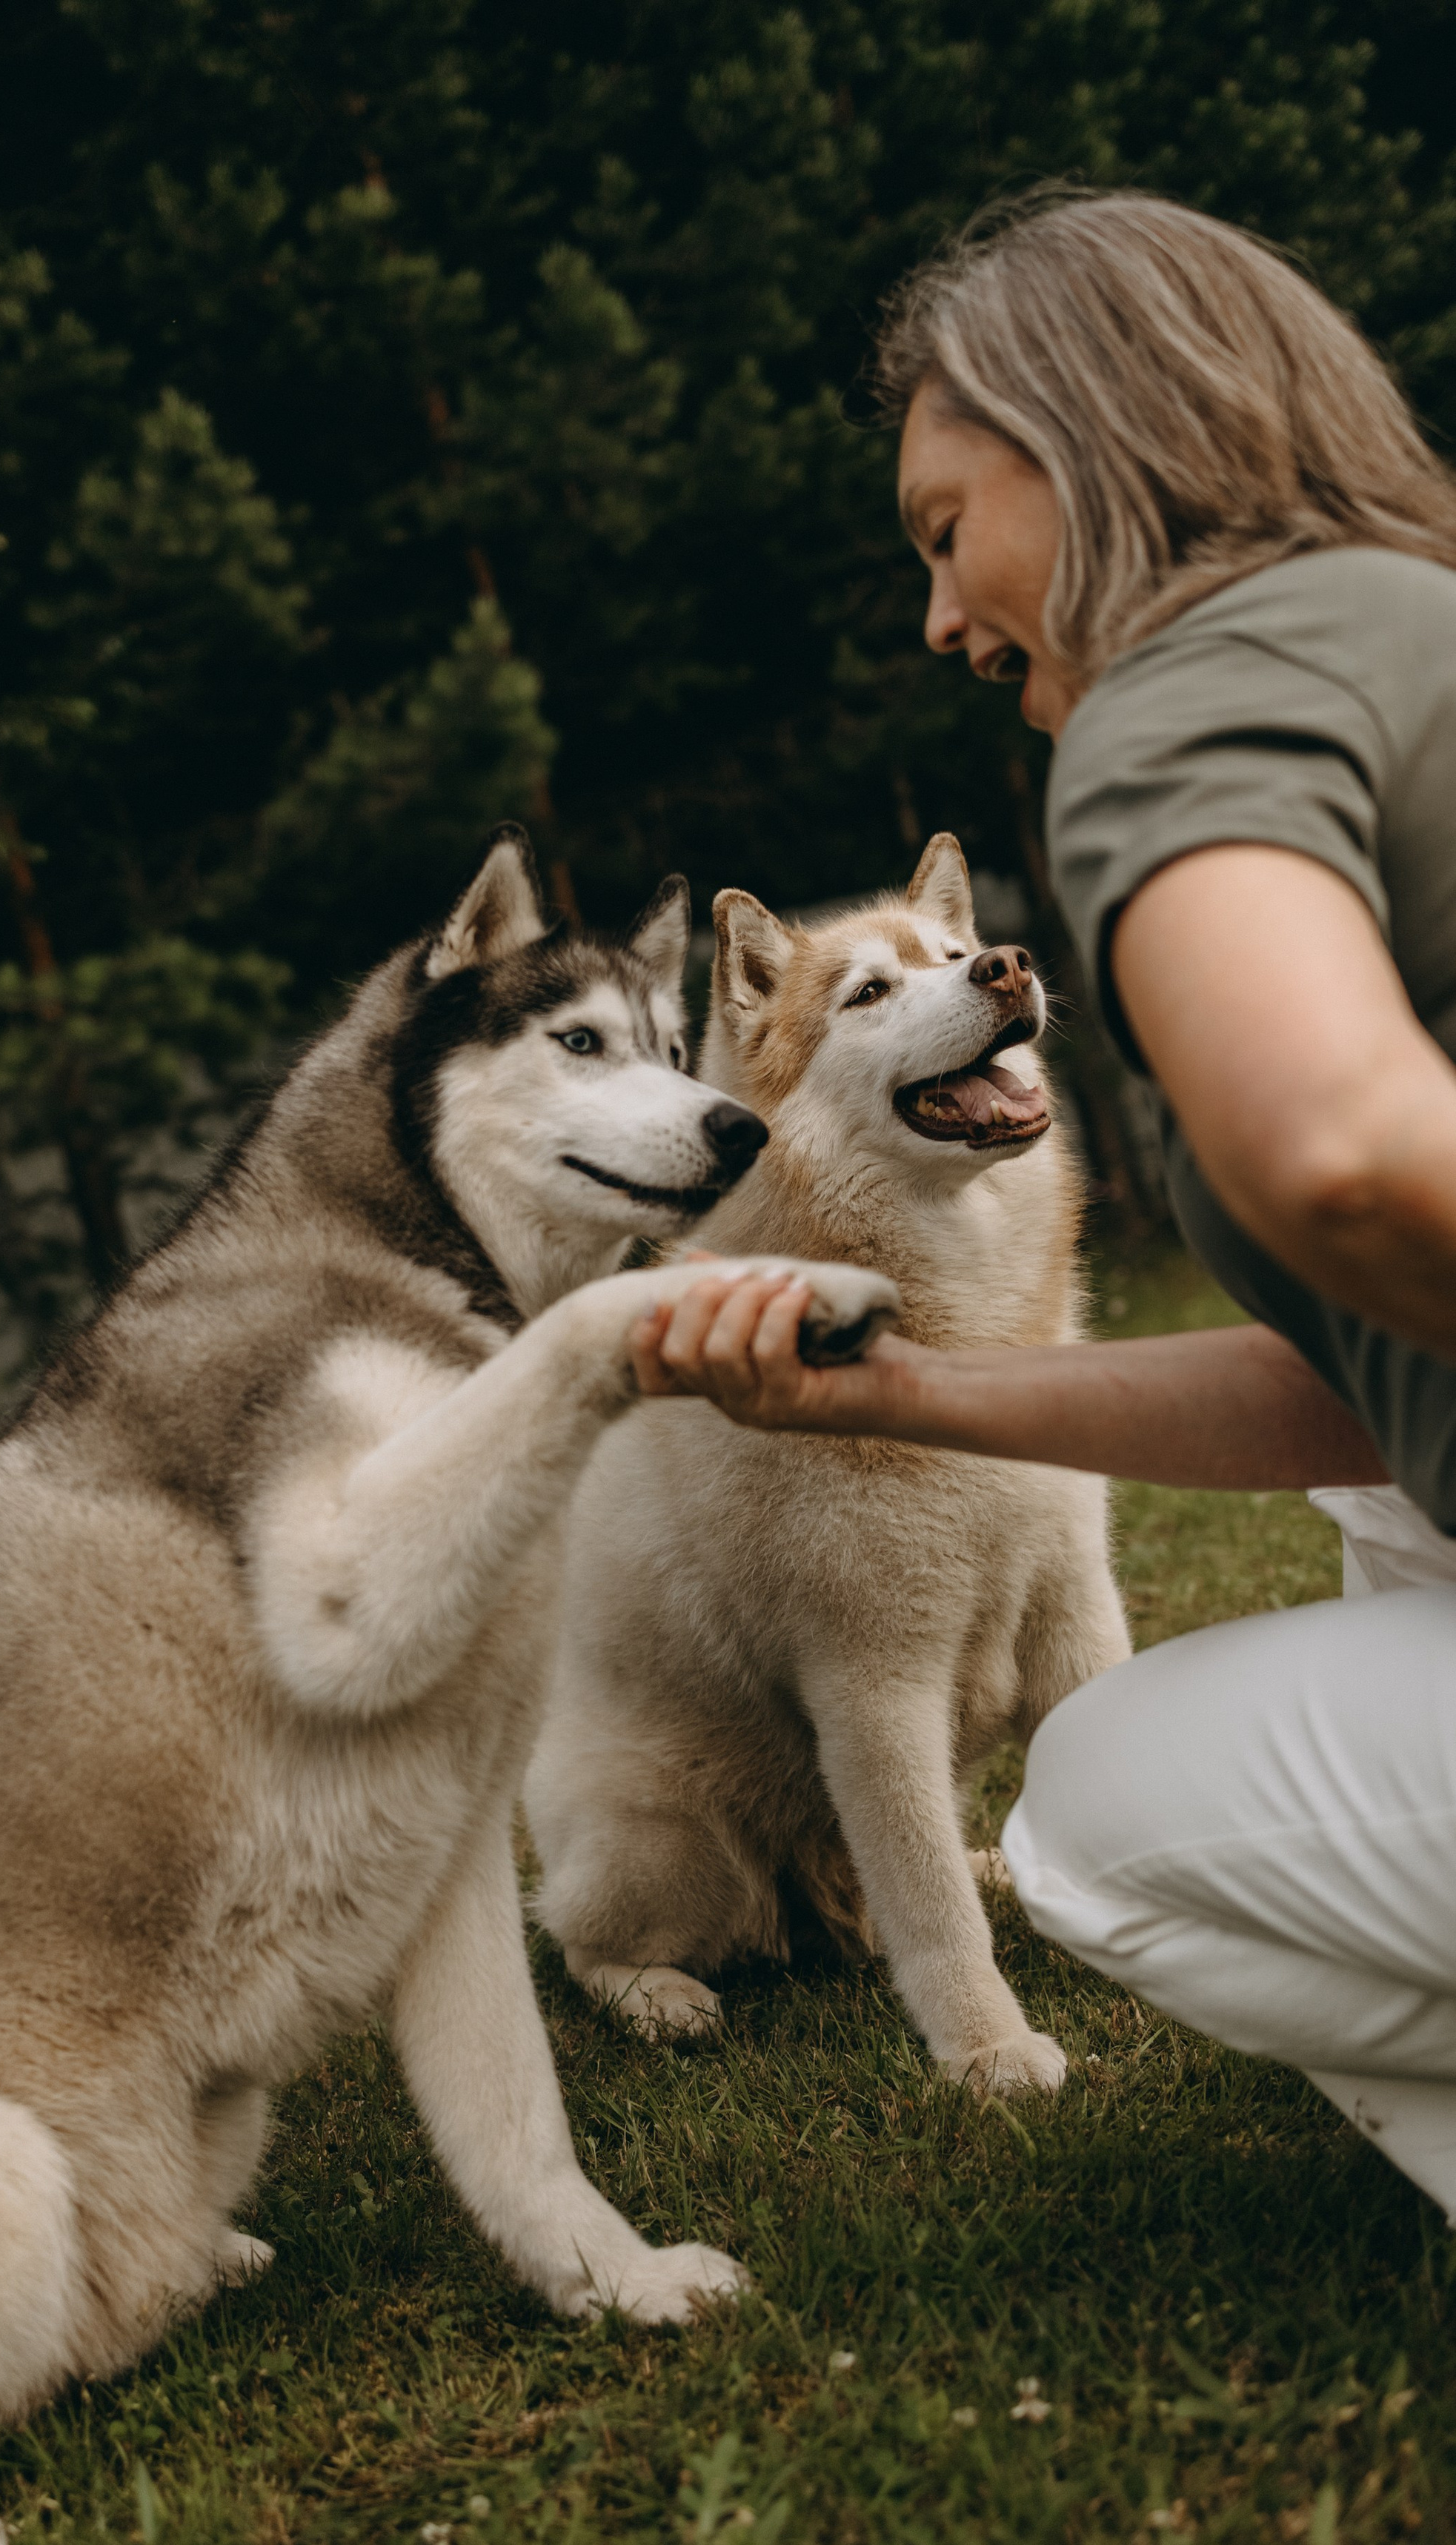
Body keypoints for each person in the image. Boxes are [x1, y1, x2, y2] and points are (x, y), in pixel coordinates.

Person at [630, 190, 1456, 2214]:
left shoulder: (1189, 693)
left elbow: (1343, 1149)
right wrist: (904, 1393)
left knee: (1087, 1809)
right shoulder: (1410, 625)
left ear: (1095, 444)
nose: (940, 619)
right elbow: (1377, 1382)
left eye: (945, 529)